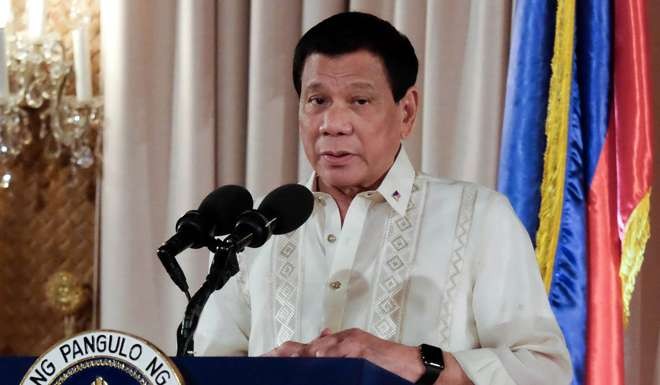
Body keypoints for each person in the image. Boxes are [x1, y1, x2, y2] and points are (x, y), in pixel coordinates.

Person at [196, 12, 572, 385]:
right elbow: (209, 368)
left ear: (406, 112)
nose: (332, 124)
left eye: (359, 101)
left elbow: (544, 371)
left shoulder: (478, 218)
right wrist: (268, 372)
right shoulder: (255, 229)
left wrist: (415, 362)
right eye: (317, 100)